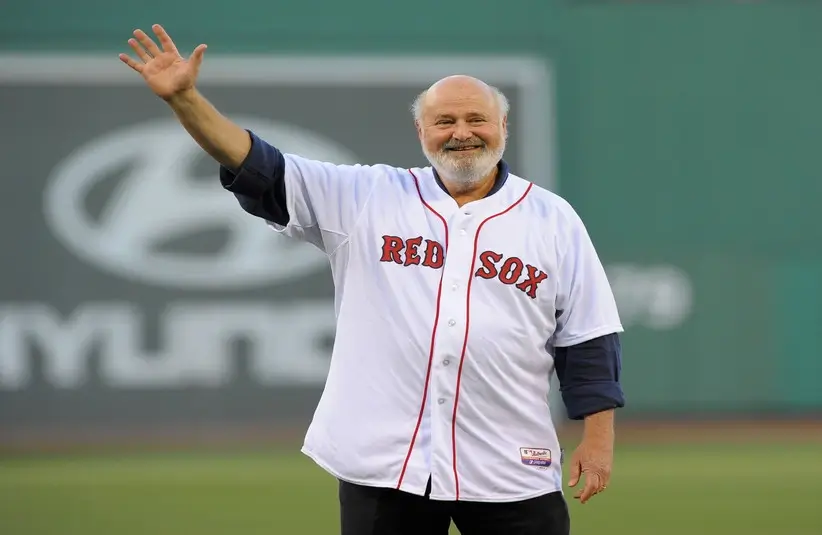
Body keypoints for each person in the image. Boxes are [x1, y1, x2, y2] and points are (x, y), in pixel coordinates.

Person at [119, 24, 626, 535]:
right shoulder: (367, 196)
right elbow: (259, 167)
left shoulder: (552, 219)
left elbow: (587, 338)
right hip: (385, 461)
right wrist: (185, 100)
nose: (461, 131)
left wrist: (598, 441)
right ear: (421, 133)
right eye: (443, 120)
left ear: (503, 127)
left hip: (508, 461)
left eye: (477, 118)